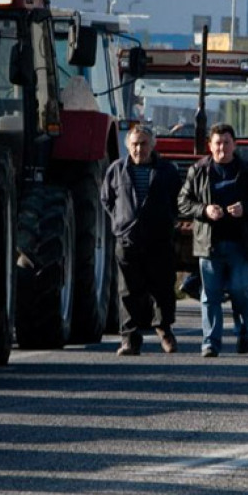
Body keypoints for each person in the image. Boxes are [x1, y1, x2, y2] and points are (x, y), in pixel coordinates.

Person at [177, 123, 248, 357]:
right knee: (210, 295)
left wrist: (245, 209)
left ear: (235, 145)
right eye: (217, 143)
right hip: (209, 244)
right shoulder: (198, 171)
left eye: (226, 143)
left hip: (240, 243)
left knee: (241, 289)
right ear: (210, 145)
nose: (222, 148)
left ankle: (244, 330)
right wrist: (205, 210)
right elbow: (183, 202)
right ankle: (210, 342)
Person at [101, 127, 183, 355]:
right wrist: (122, 222)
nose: (139, 149)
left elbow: (178, 200)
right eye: (135, 144)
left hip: (159, 239)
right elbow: (107, 200)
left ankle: (164, 331)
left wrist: (165, 221)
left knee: (163, 288)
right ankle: (129, 339)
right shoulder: (116, 170)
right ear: (128, 146)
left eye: (144, 144)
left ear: (152, 145)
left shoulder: (167, 171)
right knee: (128, 291)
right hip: (128, 240)